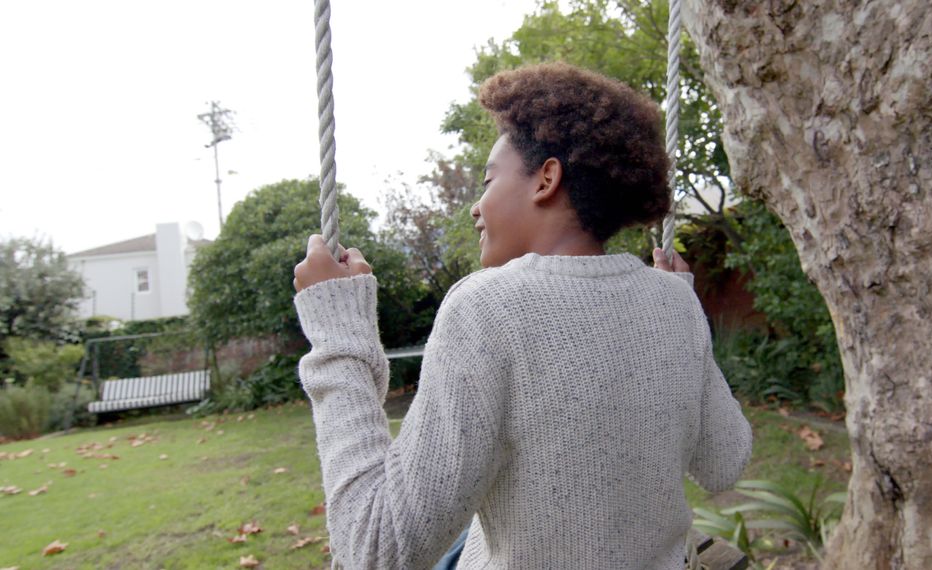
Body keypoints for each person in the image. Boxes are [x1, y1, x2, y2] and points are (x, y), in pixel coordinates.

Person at [292, 62, 752, 569]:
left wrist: (340, 335)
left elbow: (376, 549)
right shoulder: (674, 300)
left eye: (489, 180)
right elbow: (725, 462)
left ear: (546, 179)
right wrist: (680, 303)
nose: (476, 207)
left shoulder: (489, 307)